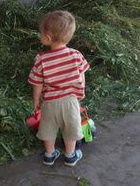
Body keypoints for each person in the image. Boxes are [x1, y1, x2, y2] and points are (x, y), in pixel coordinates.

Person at [28, 10, 90, 166]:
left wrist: (36, 100)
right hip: (70, 101)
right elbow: (81, 76)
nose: (40, 35)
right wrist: (80, 91)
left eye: (41, 33)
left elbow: (37, 84)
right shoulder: (76, 55)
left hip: (49, 102)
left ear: (48, 38)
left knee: (48, 129)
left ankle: (49, 155)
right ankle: (70, 156)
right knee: (70, 129)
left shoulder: (41, 60)